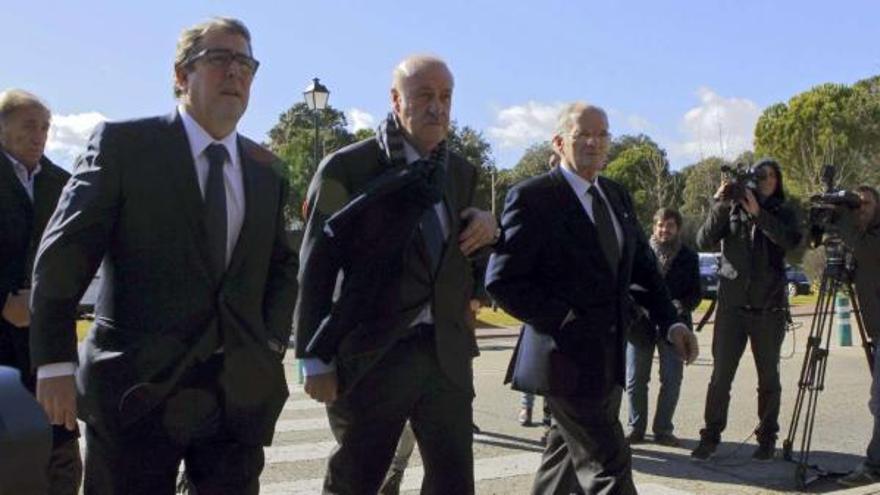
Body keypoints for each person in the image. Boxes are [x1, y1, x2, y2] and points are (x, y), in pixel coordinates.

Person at [28, 17, 298, 494]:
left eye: (245, 63)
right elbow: (63, 256)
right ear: (181, 75)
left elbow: (281, 265)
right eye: (218, 59)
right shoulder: (125, 146)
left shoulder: (266, 170)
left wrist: (271, 343)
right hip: (135, 391)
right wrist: (54, 363)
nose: (234, 73)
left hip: (233, 396)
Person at [294, 54, 498, 495]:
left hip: (445, 357)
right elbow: (315, 266)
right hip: (372, 355)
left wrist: (487, 223)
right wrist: (313, 355)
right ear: (394, 99)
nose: (437, 107)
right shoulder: (348, 168)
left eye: (445, 97)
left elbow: (458, 248)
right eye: (423, 95)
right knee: (356, 481)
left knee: (454, 483)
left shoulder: (459, 172)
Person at [486, 102, 698, 494]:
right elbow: (502, 280)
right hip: (563, 359)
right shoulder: (533, 197)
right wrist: (562, 318)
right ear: (559, 141)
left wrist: (672, 321)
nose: (594, 143)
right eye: (583, 134)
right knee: (609, 464)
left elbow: (644, 271)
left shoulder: (615, 195)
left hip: (610, 356)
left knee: (562, 462)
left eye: (602, 135)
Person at [690, 158, 802, 462]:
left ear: (777, 182)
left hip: (768, 308)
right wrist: (720, 203)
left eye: (770, 177)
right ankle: (710, 436)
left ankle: (767, 438)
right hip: (732, 308)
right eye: (759, 176)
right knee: (720, 376)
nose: (764, 181)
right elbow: (703, 239)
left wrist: (759, 215)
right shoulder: (731, 208)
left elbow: (792, 242)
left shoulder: (783, 211)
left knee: (769, 379)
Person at [0, 89, 81, 495]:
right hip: (2, 347)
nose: (40, 135)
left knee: (61, 457)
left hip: (48, 346)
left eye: (45, 127)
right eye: (29, 125)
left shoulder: (62, 185)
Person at [625, 207, 701, 447]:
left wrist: (679, 306)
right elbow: (628, 286)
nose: (664, 230)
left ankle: (663, 429)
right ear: (653, 226)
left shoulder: (688, 256)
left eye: (669, 225)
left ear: (677, 228)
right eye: (660, 225)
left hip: (675, 326)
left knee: (671, 379)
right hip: (640, 324)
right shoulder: (639, 253)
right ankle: (636, 428)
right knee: (635, 379)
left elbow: (696, 294)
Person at [830, 186, 880, 487]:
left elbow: (864, 249)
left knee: (879, 402)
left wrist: (842, 215)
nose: (860, 208)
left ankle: (875, 465)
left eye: (866, 203)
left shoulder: (872, 239)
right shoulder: (862, 240)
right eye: (855, 204)